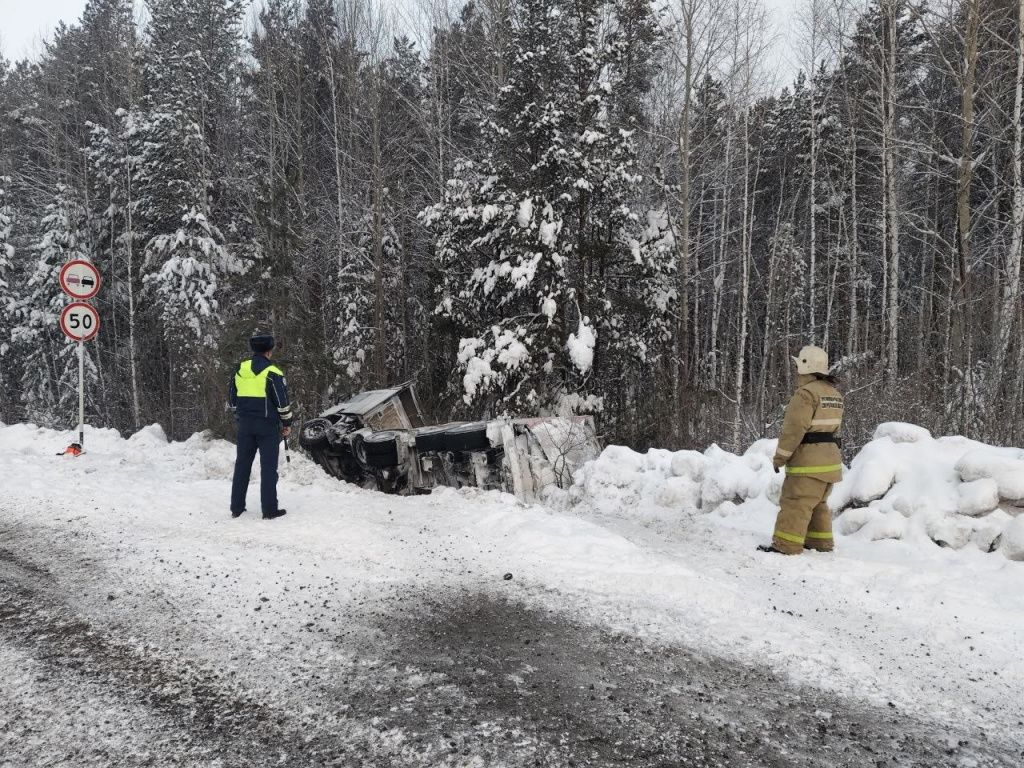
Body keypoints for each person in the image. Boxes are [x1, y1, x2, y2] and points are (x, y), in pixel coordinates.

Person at [760, 345, 844, 555]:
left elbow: (793, 430)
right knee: (817, 504)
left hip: (808, 462)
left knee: (796, 502)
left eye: (799, 365)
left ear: (806, 366)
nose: (797, 369)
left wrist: (780, 458)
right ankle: (820, 543)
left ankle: (785, 545)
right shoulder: (834, 394)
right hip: (830, 461)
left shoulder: (805, 394)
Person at [229, 333, 293, 519]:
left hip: (245, 426)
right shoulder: (273, 373)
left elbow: (232, 398)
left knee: (242, 466)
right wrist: (287, 423)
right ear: (269, 351)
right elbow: (282, 403)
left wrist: (239, 416)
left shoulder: (239, 369)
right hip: (267, 427)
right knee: (268, 468)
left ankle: (236, 507)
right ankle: (269, 510)